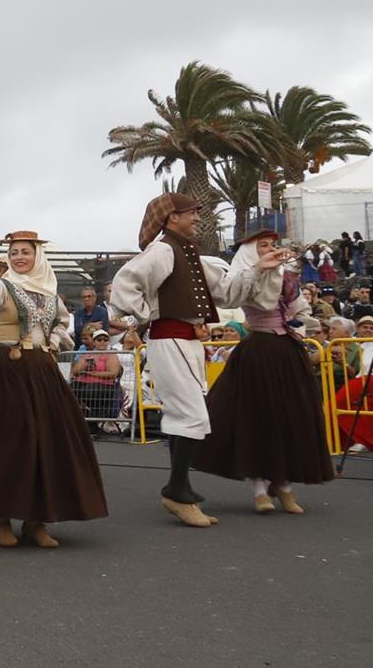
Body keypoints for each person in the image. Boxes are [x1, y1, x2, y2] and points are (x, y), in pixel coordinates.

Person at [0, 232, 109, 548]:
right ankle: (2, 516)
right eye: (14, 252)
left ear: (37, 256)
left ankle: (35, 520)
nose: (19, 257)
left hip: (41, 370)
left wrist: (52, 344)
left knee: (46, 441)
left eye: (25, 252)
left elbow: (61, 324)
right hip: (7, 370)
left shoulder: (49, 291)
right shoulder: (0, 286)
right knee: (8, 442)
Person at [109, 193, 269, 527]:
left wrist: (257, 269)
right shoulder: (164, 250)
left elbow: (225, 291)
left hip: (188, 342)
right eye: (192, 212)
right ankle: (175, 490)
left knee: (187, 413)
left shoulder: (189, 252)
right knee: (192, 414)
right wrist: (147, 313)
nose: (198, 217)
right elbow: (126, 282)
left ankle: (180, 485)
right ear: (172, 218)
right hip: (170, 340)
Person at [194, 234, 336, 513]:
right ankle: (260, 489)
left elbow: (299, 310)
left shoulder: (285, 277)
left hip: (287, 352)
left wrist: (305, 321)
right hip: (258, 351)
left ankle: (283, 485)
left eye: (272, 245)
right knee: (258, 418)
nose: (271, 249)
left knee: (291, 416)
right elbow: (240, 297)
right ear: (250, 252)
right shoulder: (244, 278)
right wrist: (264, 270)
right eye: (263, 246)